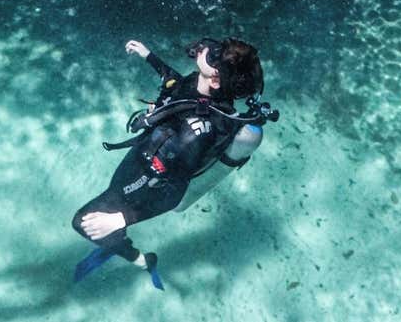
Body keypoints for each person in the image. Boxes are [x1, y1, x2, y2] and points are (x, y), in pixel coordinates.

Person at [72, 37, 271, 289]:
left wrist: (123, 218)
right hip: (139, 162)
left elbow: (173, 191)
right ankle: (116, 239)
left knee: (81, 221)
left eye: (213, 56)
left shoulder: (196, 134)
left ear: (216, 79)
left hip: (146, 183)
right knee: (107, 202)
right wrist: (149, 56)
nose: (208, 49)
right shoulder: (199, 86)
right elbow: (175, 84)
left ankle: (143, 261)